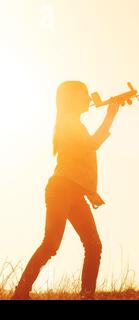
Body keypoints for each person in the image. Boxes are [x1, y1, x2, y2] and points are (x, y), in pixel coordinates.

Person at [12, 81, 121, 300]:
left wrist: (90, 191)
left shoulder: (72, 124)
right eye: (84, 95)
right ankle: (21, 293)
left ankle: (86, 296)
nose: (89, 99)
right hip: (62, 190)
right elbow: (90, 146)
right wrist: (110, 115)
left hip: (71, 191)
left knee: (92, 245)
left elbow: (78, 161)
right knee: (52, 244)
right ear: (71, 99)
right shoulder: (69, 123)